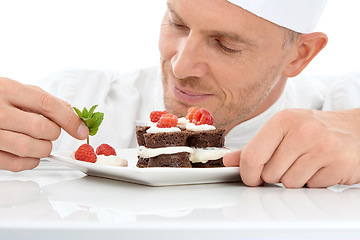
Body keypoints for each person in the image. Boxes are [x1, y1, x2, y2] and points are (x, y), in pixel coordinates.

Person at [1, 0, 359, 188]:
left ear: (299, 55)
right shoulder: (73, 95)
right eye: (177, 23)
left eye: (226, 44)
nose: (182, 65)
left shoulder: (343, 111)